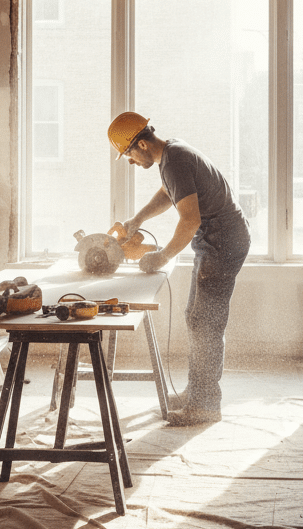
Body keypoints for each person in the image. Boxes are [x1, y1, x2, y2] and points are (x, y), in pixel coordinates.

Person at [107, 112, 251, 427]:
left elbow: (190, 220)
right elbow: (168, 192)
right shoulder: (172, 154)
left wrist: (161, 256)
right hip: (219, 240)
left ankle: (205, 406)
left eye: (129, 153)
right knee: (197, 318)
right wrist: (137, 221)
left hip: (222, 243)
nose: (130, 161)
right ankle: (198, 394)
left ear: (141, 145)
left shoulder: (174, 160)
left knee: (204, 323)